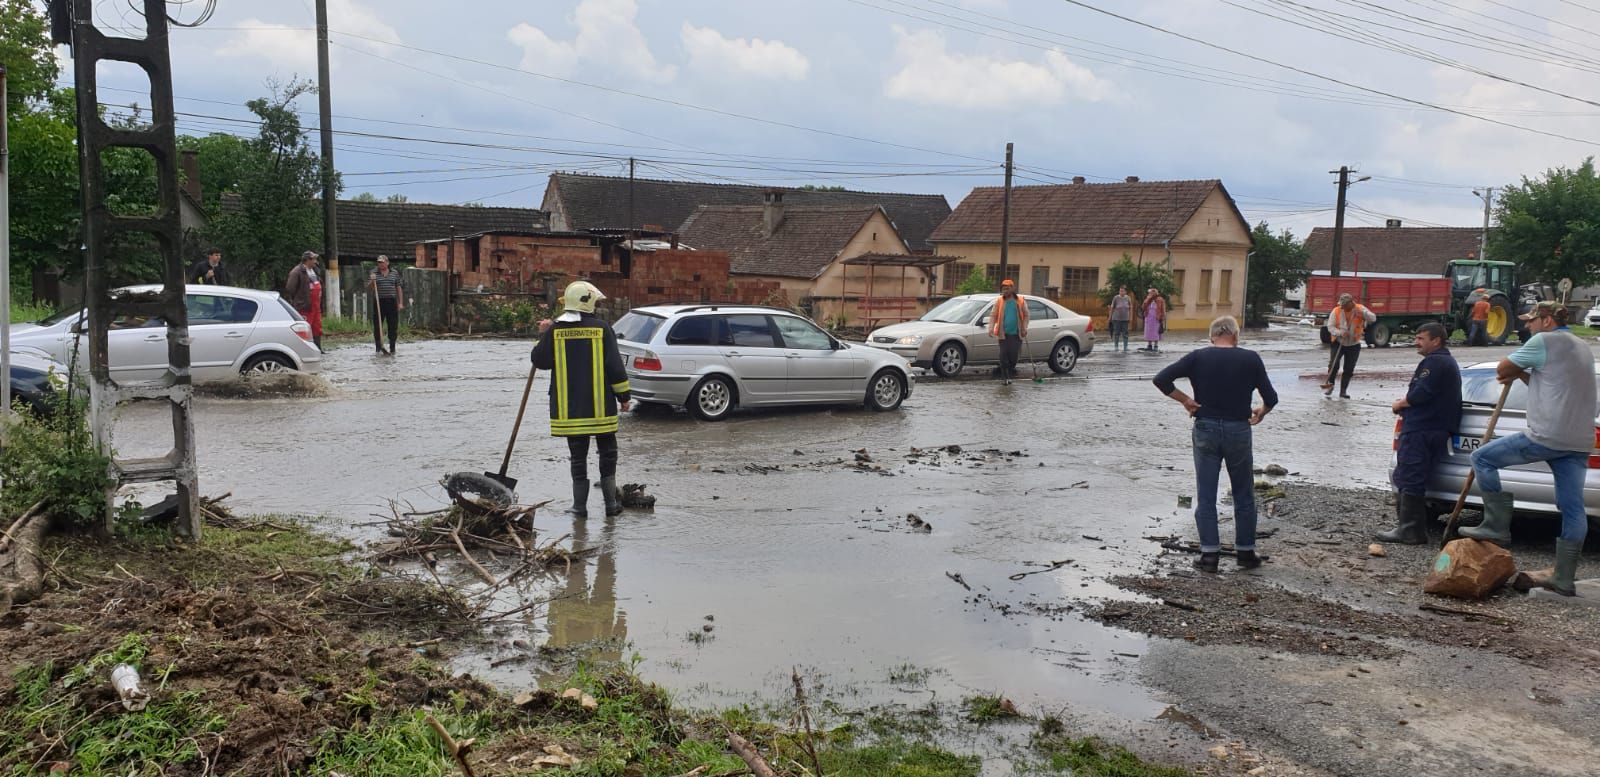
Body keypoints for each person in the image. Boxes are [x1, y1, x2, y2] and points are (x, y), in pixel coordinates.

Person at [1460, 301, 1595, 596]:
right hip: (1577, 441)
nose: (1526, 326)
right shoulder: (1581, 345)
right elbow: (1549, 382)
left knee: (1482, 458)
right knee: (1572, 507)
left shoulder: (1543, 340)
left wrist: (1515, 369)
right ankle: (1563, 578)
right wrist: (1523, 374)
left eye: (1531, 321)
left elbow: (1502, 368)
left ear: (1546, 321)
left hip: (1546, 435)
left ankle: (1496, 526)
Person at [1153, 316, 1279, 573]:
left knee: (1207, 493)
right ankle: (1245, 552)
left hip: (1206, 428)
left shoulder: (1198, 357)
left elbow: (1161, 379)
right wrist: (1262, 411)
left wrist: (1186, 400)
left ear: (1212, 336)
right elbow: (1272, 397)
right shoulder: (1250, 358)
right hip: (1238, 429)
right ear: (1235, 335)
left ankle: (1209, 555)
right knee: (1243, 492)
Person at [532, 280, 631, 519]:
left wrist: (543, 335)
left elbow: (539, 361)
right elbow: (615, 367)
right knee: (608, 453)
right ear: (588, 303)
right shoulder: (602, 329)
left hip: (570, 411)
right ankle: (610, 505)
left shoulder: (555, 330)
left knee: (577, 457)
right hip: (601, 410)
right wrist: (624, 397)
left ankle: (580, 508)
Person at [1380, 322, 1461, 544]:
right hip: (1434, 427)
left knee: (1410, 475)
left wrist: (1400, 403)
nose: (1417, 342)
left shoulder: (1434, 363)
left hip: (1423, 428)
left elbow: (1420, 394)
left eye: (1421, 338)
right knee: (1410, 475)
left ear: (1436, 340)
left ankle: (1410, 530)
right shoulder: (1446, 362)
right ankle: (1410, 527)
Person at [1321, 293, 1375, 398]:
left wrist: (1363, 313)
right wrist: (1340, 333)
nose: (1343, 307)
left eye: (1345, 305)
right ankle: (1330, 385)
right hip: (1338, 342)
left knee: (1349, 368)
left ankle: (1343, 391)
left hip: (1354, 343)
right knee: (1333, 365)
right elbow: (1330, 327)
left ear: (1351, 303)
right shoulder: (1336, 310)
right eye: (1342, 305)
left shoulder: (1359, 309)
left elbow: (1373, 318)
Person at [987, 279, 1028, 384]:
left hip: (1016, 334)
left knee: (1013, 357)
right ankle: (1005, 378)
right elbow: (993, 315)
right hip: (1003, 334)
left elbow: (1026, 315)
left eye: (1007, 288)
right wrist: (990, 328)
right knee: (1003, 356)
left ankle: (1010, 374)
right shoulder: (1000, 301)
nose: (1005, 290)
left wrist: (1024, 327)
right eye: (1004, 288)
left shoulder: (1020, 300)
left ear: (1012, 288)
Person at [284, 250, 324, 350]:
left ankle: (318, 348)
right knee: (305, 327)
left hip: (316, 305)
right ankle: (304, 348)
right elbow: (290, 288)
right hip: (305, 306)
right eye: (314, 259)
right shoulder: (297, 271)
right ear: (307, 260)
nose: (316, 261)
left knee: (317, 326)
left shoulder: (314, 270)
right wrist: (300, 299)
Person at [369, 255, 405, 355]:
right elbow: (370, 288)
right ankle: (378, 347)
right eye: (379, 262)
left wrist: (400, 302)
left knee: (393, 325)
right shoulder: (374, 273)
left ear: (387, 263)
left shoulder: (394, 273)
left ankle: (392, 348)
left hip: (391, 301)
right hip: (379, 301)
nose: (380, 264)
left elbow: (398, 287)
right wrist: (372, 281)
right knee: (377, 324)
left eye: (382, 262)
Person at [1109, 286, 1134, 352]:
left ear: (1125, 292)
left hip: (1125, 318)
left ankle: (1125, 347)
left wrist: (1131, 317)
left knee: (1125, 333)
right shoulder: (1116, 298)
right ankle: (1116, 346)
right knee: (1116, 333)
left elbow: (1131, 308)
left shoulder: (1128, 298)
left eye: (1122, 291)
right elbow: (1112, 308)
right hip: (1116, 318)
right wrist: (1110, 317)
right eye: (1120, 291)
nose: (1121, 292)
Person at [1140, 288, 1166, 352]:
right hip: (1148, 318)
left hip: (1156, 318)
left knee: (1156, 332)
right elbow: (1143, 307)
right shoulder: (1148, 299)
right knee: (1149, 332)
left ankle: (1156, 345)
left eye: (1152, 292)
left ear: (1156, 293)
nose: (1151, 294)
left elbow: (1163, 308)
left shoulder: (1160, 299)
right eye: (1150, 293)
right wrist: (1147, 299)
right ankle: (1149, 345)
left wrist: (1163, 316)